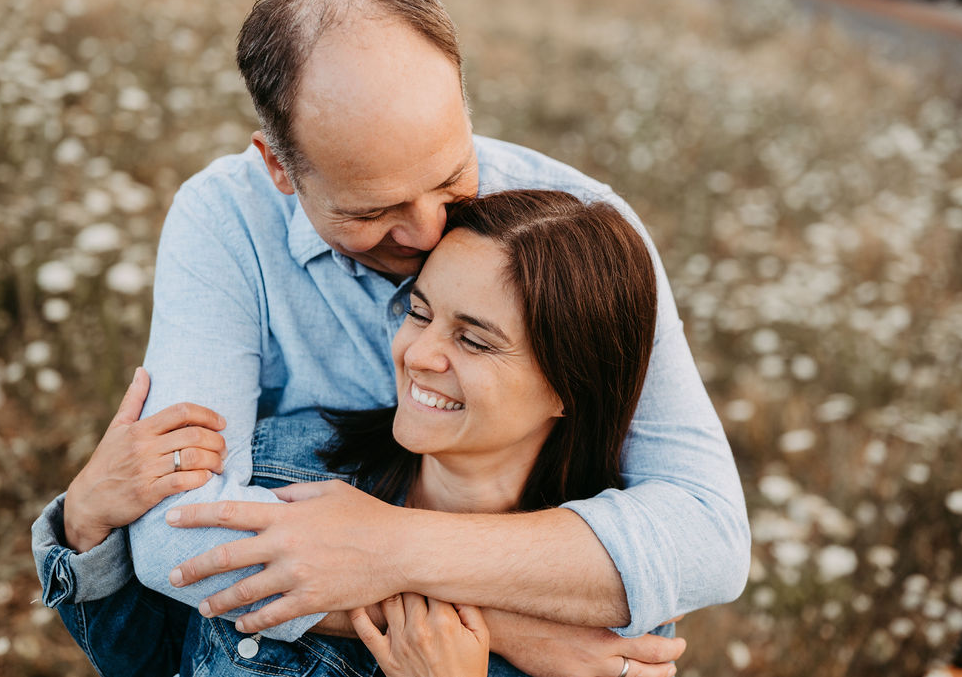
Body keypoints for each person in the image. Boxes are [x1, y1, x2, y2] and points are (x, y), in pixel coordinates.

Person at [36, 0, 750, 673]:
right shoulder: (225, 225)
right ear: (280, 168)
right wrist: (510, 628)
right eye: (376, 209)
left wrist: (389, 545)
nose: (432, 231)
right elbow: (174, 536)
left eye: (449, 176)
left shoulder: (585, 236)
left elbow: (710, 536)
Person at [34, 189, 682, 677]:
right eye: (420, 312)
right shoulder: (283, 462)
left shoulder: (612, 624)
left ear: (572, 385)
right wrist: (87, 525)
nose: (419, 354)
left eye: (474, 339)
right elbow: (154, 660)